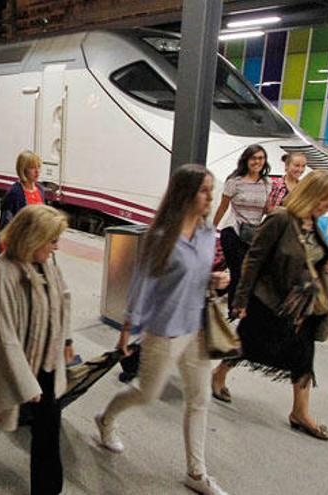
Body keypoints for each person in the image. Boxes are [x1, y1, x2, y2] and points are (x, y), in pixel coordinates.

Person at [94, 164, 231, 495]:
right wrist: (127, 329)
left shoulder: (207, 233)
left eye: (211, 189)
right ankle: (106, 418)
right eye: (204, 190)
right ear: (185, 194)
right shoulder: (161, 237)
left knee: (200, 399)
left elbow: (196, 276)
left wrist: (215, 279)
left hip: (196, 328)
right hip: (164, 332)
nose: (210, 197)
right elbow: (142, 285)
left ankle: (196, 473)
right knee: (146, 393)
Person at [211, 171, 328, 441]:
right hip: (269, 301)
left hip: (301, 306)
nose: (327, 206)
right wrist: (241, 300)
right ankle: (219, 373)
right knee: (250, 344)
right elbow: (253, 260)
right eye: (324, 200)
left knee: (304, 354)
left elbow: (314, 256)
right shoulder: (281, 219)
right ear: (311, 195)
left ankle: (300, 412)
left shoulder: (314, 223)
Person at [0, 204, 73, 495]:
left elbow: (62, 300)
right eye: (52, 241)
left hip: (47, 362)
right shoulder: (2, 274)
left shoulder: (46, 264)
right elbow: (3, 336)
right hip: (18, 365)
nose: (57, 247)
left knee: (48, 431)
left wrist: (67, 341)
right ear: (33, 238)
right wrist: (27, 382)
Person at [212, 144, 272, 309]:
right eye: (254, 158)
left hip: (253, 234)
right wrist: (212, 228)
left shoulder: (267, 183)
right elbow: (223, 206)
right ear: (246, 160)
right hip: (234, 231)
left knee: (250, 274)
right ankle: (234, 309)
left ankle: (241, 307)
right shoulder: (234, 182)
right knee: (238, 272)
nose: (257, 162)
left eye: (261, 158)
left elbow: (266, 209)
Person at [0, 150, 45, 260]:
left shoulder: (40, 190)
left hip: (36, 248)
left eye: (38, 167)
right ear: (23, 170)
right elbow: (5, 226)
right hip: (19, 249)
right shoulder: (15, 193)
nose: (37, 171)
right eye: (32, 168)